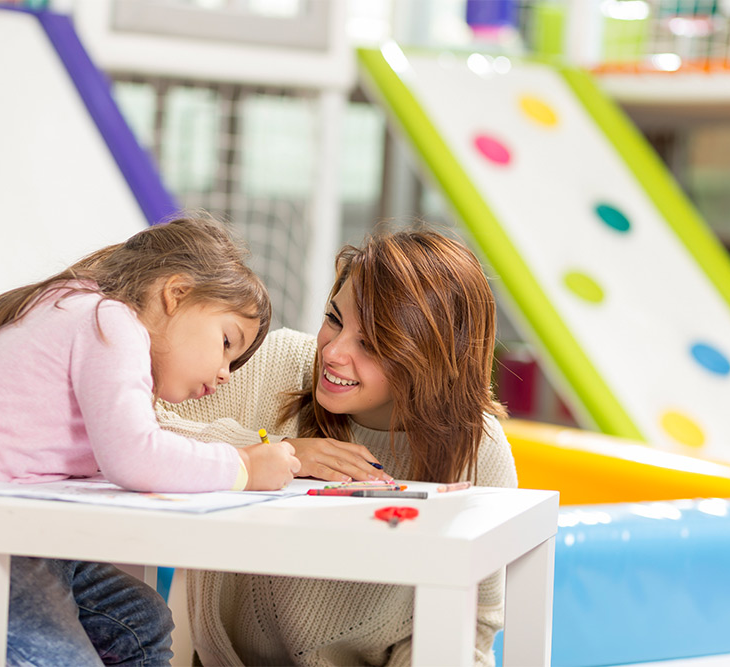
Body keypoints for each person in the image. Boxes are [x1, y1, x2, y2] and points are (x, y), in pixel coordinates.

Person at [0, 215, 301, 666]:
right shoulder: (109, 321)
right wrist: (243, 467)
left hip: (1, 547)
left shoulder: (83, 310)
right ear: (177, 293)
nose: (226, 373)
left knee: (140, 620)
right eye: (227, 342)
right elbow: (135, 456)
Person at [157, 227, 517, 666]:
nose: (333, 352)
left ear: (429, 358)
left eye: (371, 344)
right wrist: (267, 454)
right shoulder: (277, 361)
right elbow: (129, 423)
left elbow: (472, 622)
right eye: (334, 318)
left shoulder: (479, 447)